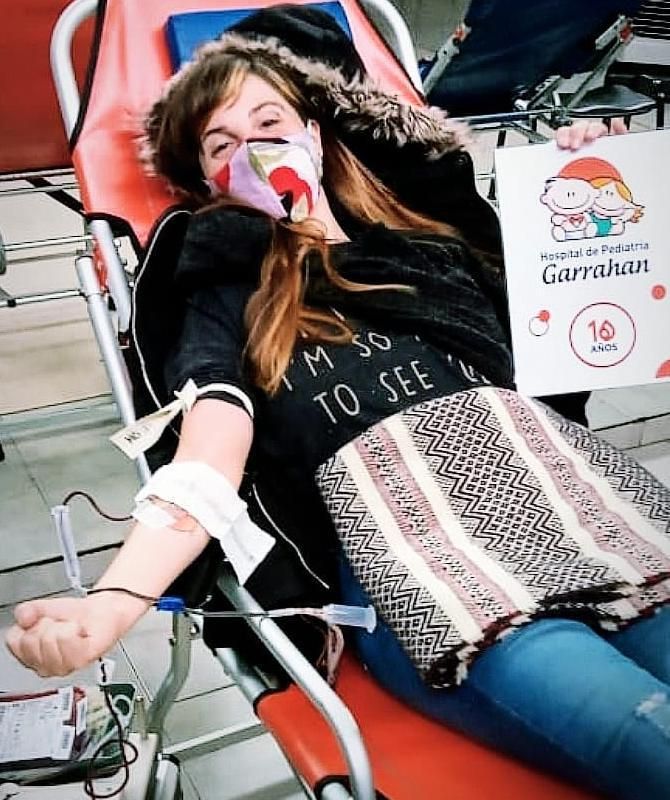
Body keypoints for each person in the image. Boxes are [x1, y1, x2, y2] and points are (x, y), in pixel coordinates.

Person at [6, 6, 669, 799]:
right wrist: (116, 601)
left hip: (582, 509)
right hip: (426, 572)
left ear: (316, 136)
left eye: (270, 123)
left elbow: (569, 348)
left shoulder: (430, 240)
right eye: (221, 144)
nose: (253, 152)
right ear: (206, 180)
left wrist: (590, 187)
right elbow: (207, 458)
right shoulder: (220, 289)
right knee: (650, 733)